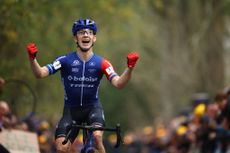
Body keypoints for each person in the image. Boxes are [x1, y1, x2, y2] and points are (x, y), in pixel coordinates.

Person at [26, 18, 139, 153]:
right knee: (61, 148)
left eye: (89, 32)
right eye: (81, 32)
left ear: (94, 38)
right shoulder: (65, 60)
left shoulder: (102, 63)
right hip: (70, 112)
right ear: (75, 38)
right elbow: (40, 73)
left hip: (93, 109)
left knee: (97, 138)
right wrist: (32, 59)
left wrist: (130, 68)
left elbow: (119, 83)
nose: (85, 35)